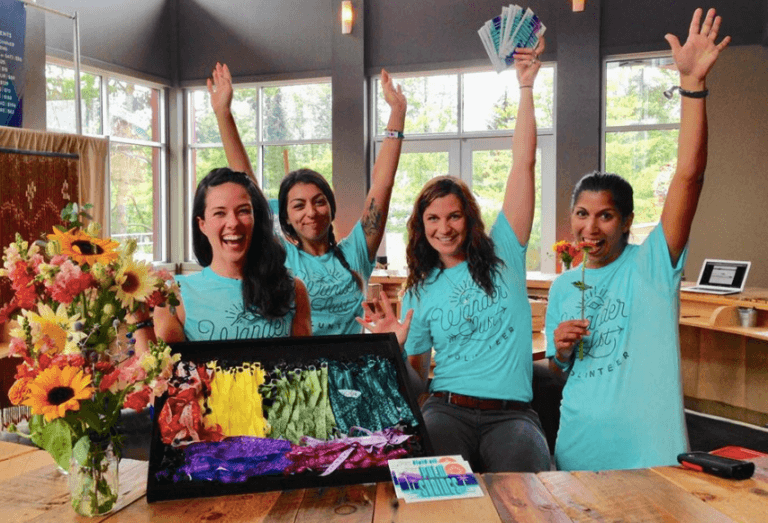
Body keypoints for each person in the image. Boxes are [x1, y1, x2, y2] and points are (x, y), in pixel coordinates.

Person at [545, 8, 730, 471]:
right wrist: (563, 350)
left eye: (605, 215)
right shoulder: (564, 286)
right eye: (582, 214)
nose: (591, 228)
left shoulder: (652, 265)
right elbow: (558, 368)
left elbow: (690, 177)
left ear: (627, 221)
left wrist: (692, 88)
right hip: (579, 443)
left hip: (651, 450)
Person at [362, 43, 551, 473]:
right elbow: (415, 382)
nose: (443, 228)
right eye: (432, 218)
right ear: (420, 226)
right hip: (446, 410)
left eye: (453, 216)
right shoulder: (419, 290)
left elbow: (523, 164)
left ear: (470, 219)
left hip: (512, 414)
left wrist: (525, 86)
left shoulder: (505, 250)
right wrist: (392, 346)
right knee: (427, 488)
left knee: (533, 495)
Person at [208, 62, 406, 335]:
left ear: (331, 207)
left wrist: (397, 113)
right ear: (286, 217)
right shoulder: (281, 256)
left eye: (319, 201)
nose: (311, 212)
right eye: (298, 205)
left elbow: (382, 185)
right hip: (303, 374)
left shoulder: (357, 252)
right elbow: (247, 188)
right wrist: (223, 114)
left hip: (353, 372)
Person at [137, 167, 311, 343]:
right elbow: (159, 369)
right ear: (202, 224)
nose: (233, 223)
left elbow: (308, 366)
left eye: (243, 211)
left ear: (255, 219)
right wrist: (138, 319)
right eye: (219, 213)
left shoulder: (294, 289)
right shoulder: (176, 296)